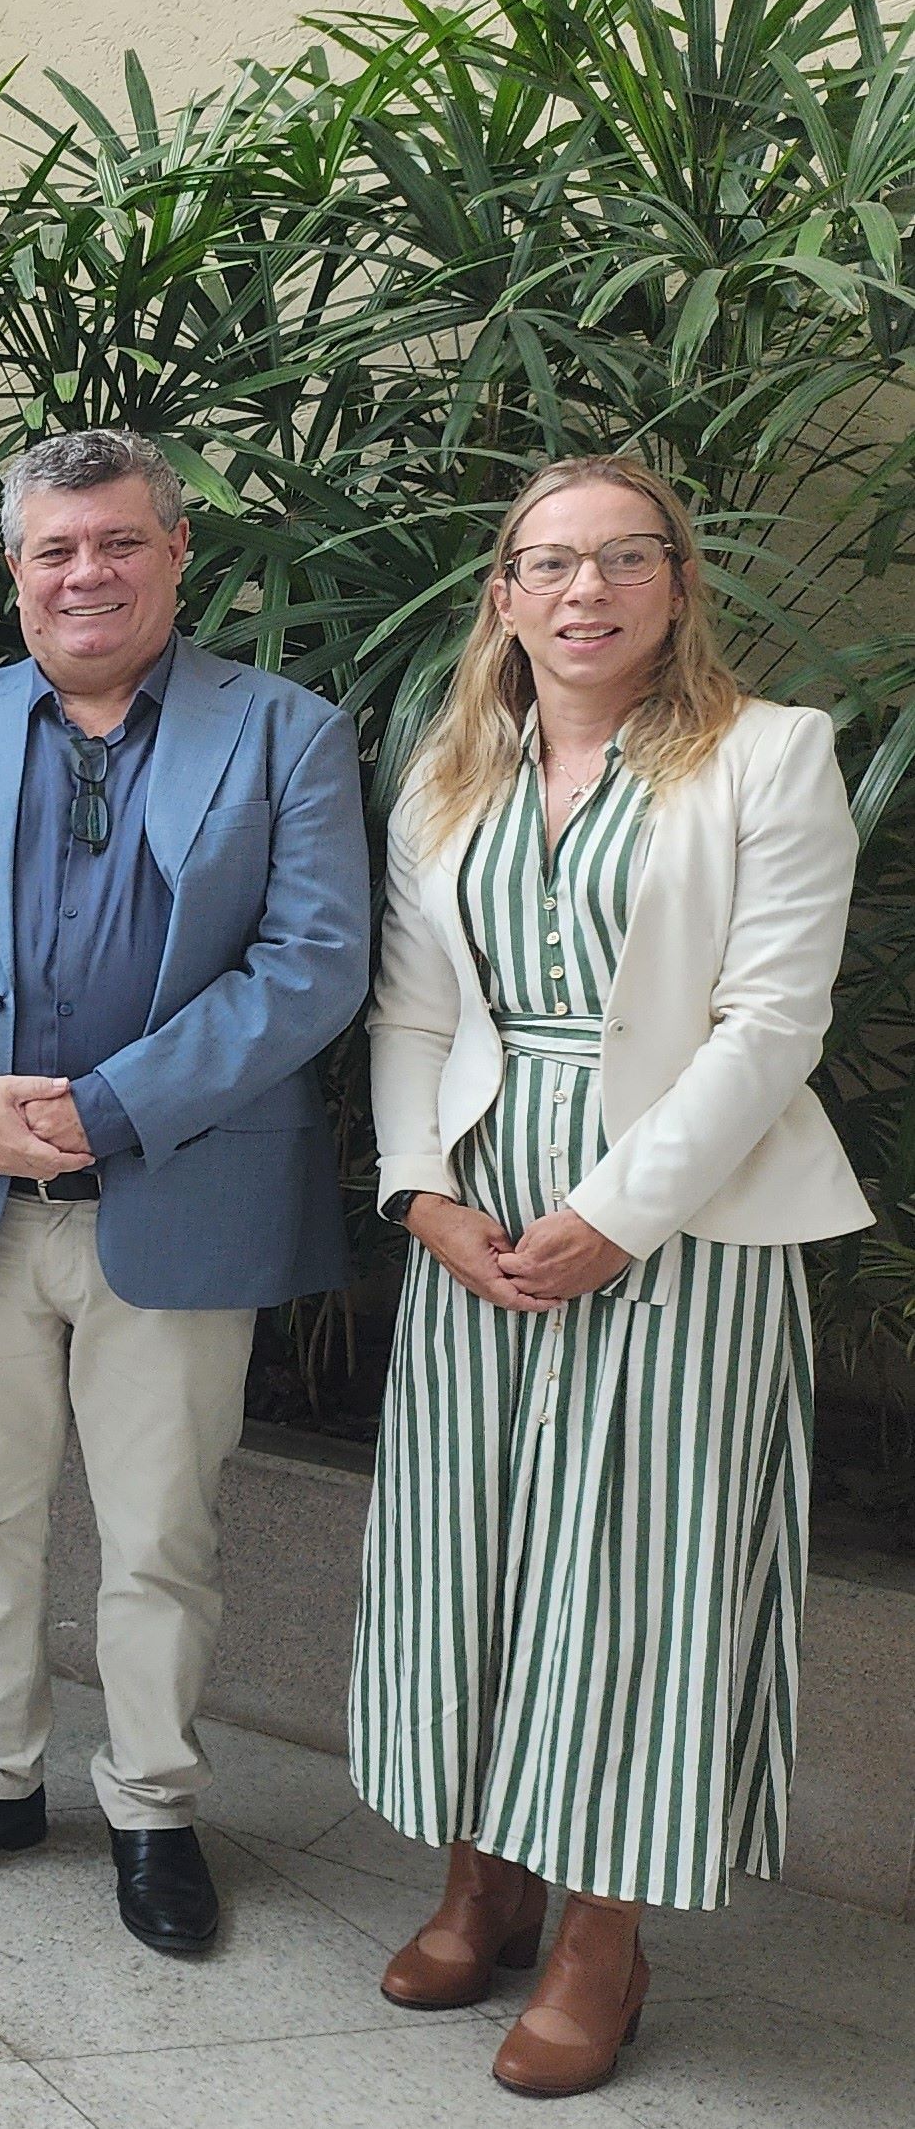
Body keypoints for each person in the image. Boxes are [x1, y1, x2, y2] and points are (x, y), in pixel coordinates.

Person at [0, 426, 370, 1958]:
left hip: (176, 1197)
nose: (88, 573)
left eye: (120, 542)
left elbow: (312, 962)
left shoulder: (287, 734)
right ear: (15, 571)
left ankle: (151, 1803)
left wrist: (111, 1107)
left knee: (158, 1532)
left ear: (178, 553)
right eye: (55, 549)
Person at [346, 458, 866, 2097]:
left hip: (683, 1230)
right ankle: (483, 1876)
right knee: (479, 1552)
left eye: (623, 557)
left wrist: (621, 1210)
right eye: (550, 560)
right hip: (479, 1225)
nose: (587, 589)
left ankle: (600, 1936)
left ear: (675, 584)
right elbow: (413, 1013)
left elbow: (775, 1021)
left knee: (636, 1578)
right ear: (503, 593)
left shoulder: (771, 754)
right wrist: (420, 1189)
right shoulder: (449, 775)